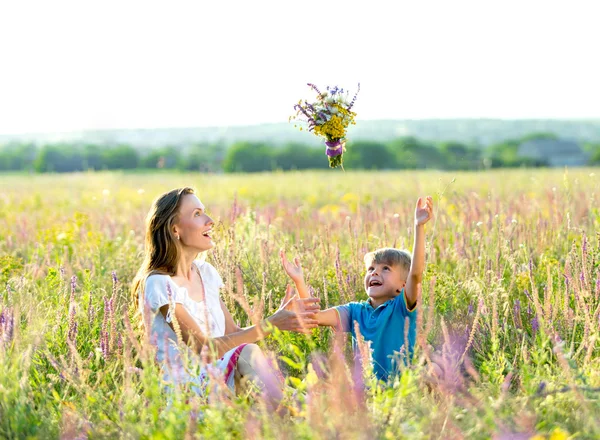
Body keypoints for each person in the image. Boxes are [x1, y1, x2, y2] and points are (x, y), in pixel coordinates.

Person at [131, 187, 320, 405]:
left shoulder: (205, 273)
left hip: (221, 380)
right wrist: (271, 325)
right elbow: (205, 349)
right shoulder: (159, 283)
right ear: (175, 229)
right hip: (189, 392)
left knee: (251, 354)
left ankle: (296, 411)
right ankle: (301, 413)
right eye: (197, 214)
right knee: (250, 353)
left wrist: (278, 317)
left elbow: (233, 335)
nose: (210, 220)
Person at [280, 196, 434, 382]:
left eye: (386, 268)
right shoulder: (355, 312)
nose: (375, 273)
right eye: (371, 269)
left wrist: (419, 227)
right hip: (369, 392)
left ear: (403, 285)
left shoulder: (403, 307)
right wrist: (299, 282)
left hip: (401, 392)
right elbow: (314, 317)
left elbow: (416, 274)